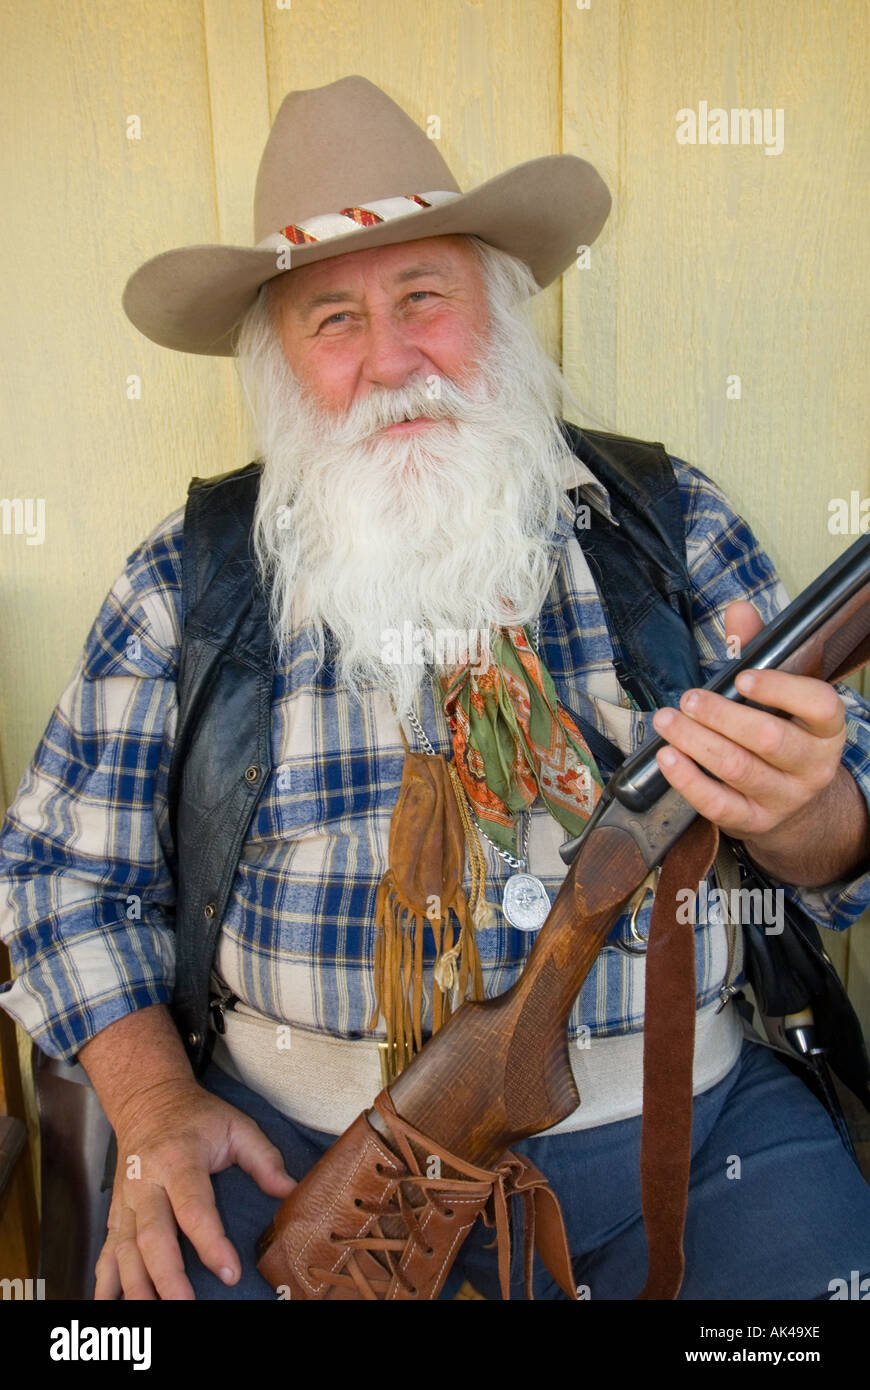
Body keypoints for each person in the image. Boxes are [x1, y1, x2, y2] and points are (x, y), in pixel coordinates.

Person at [2, 75, 870, 1302]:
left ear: (502, 314)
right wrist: (153, 1107)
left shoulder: (668, 527)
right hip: (300, 1155)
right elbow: (58, 878)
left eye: (425, 298)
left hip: (688, 1126)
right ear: (280, 365)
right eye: (333, 321)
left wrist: (806, 812)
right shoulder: (186, 580)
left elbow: (849, 836)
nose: (393, 360)